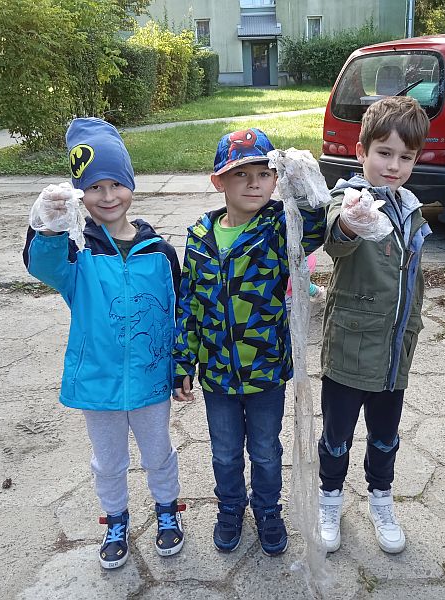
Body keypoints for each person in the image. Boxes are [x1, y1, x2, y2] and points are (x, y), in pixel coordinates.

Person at [23, 117, 184, 570]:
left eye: (116, 183)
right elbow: (42, 265)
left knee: (159, 453)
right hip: (99, 382)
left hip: (151, 381)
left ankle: (167, 510)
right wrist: (49, 226)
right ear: (81, 194)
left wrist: (181, 366)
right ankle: (115, 519)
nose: (108, 196)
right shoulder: (76, 253)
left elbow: (179, 313)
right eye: (94, 187)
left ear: (131, 184)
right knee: (108, 460)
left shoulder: (160, 251)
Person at [173, 128, 326, 556]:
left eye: (265, 174)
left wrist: (303, 182)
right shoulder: (199, 238)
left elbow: (315, 227)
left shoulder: (279, 229)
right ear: (218, 181)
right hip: (217, 375)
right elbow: (188, 304)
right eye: (241, 174)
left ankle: (267, 510)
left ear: (276, 180)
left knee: (265, 451)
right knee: (224, 453)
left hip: (266, 372)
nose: (254, 183)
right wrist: (182, 363)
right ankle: (230, 508)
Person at [317, 96, 431, 554]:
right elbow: (335, 239)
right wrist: (350, 223)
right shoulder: (347, 198)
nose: (394, 166)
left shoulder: (410, 207)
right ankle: (330, 499)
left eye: (406, 157)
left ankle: (381, 499)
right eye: (384, 153)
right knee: (337, 435)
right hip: (350, 347)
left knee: (386, 436)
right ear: (361, 151)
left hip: (395, 350)